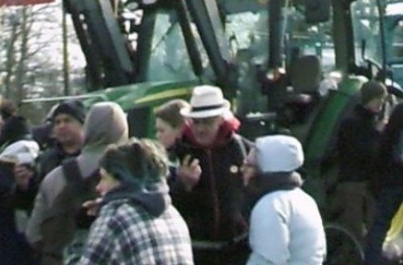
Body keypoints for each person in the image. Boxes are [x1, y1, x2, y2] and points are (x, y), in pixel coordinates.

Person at [26, 102, 129, 265]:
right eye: (57, 122)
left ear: (86, 127)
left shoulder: (55, 177)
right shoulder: (138, 173)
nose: (61, 126)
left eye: (67, 120)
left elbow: (34, 234)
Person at [72, 138, 193, 265]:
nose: (98, 187)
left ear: (123, 179)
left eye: (104, 178)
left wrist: (83, 229)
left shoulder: (114, 217)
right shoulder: (173, 215)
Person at [172, 85, 252, 265]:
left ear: (221, 120)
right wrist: (183, 186)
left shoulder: (242, 149)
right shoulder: (177, 153)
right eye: (195, 122)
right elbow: (164, 206)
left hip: (237, 251)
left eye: (207, 122)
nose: (200, 129)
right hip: (194, 252)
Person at [243, 135, 326, 265]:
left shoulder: (270, 205)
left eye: (249, 165)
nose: (243, 170)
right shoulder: (304, 199)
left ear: (265, 171)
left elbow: (267, 260)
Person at [332, 80, 387, 243]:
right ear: (368, 99)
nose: (380, 104)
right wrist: (377, 133)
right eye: (378, 100)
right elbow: (361, 152)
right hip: (353, 181)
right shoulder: (352, 122)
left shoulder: (372, 120)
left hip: (370, 182)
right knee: (353, 228)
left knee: (375, 226)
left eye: (382, 100)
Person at [363, 98, 403, 265]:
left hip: (396, 175)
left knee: (380, 223)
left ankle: (372, 261)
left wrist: (377, 175)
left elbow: (386, 143)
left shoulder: (402, 110)